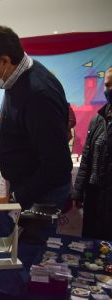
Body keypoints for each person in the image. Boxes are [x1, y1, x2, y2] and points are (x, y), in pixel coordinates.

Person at [0, 24, 72, 210]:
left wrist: (15, 199)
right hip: (26, 187)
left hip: (41, 196)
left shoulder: (38, 94)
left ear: (4, 61)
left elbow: (56, 165)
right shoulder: (15, 79)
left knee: (32, 239)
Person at [72, 65, 112, 241]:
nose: (109, 90)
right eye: (107, 85)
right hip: (94, 193)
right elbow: (86, 157)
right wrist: (78, 191)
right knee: (90, 243)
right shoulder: (98, 118)